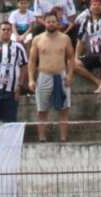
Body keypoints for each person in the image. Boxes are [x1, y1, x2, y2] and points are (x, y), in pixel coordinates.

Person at [28, 13, 73, 143]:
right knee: (42, 110)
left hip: (61, 75)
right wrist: (31, 79)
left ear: (57, 23)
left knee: (64, 109)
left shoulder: (65, 38)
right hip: (43, 75)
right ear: (44, 23)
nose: (51, 24)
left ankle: (63, 138)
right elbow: (32, 61)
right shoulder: (37, 39)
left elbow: (71, 58)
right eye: (48, 21)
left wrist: (70, 75)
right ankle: (42, 138)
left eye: (53, 21)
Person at [0, 21, 29, 124]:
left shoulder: (18, 48)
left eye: (8, 30)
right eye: (3, 29)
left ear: (11, 31)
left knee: (10, 121)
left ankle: (8, 140)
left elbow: (24, 66)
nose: (6, 32)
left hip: (11, 90)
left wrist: (19, 86)